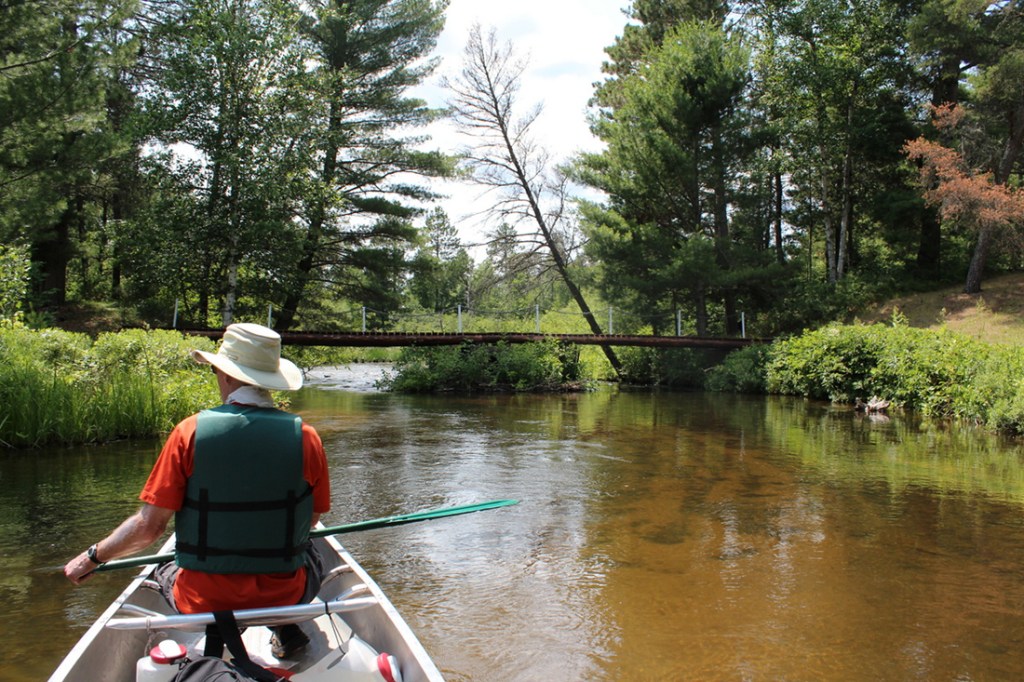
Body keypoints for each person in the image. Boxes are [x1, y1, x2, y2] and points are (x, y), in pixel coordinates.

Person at [64, 322, 330, 659]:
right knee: (313, 551)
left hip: (201, 600)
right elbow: (311, 519)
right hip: (286, 595)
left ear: (226, 375)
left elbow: (149, 529)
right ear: (269, 381)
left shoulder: (188, 432)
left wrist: (92, 557)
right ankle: (284, 625)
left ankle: (217, 639)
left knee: (165, 568)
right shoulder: (307, 437)